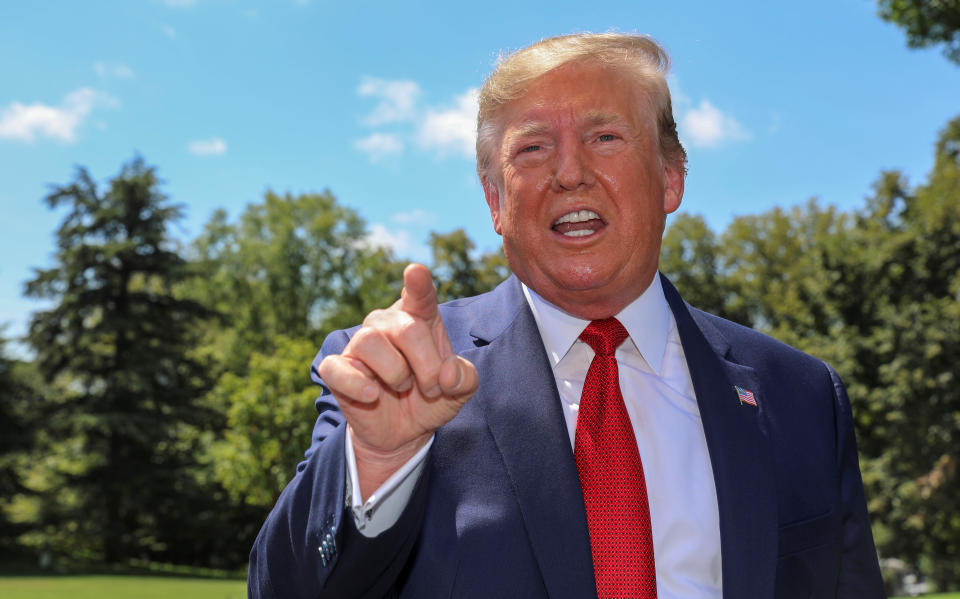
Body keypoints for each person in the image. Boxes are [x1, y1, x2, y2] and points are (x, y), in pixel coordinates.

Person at [248, 33, 885, 598]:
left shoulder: (802, 395)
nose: (569, 172)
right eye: (531, 150)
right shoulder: (401, 377)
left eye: (604, 137)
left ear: (670, 178)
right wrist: (379, 459)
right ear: (494, 202)